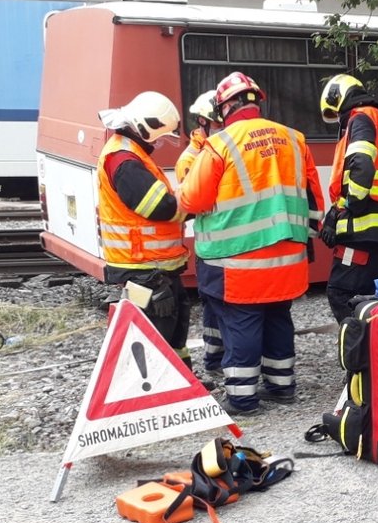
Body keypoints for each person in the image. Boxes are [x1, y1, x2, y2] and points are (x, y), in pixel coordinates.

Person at [177, 72, 325, 416]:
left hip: (237, 261)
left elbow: (193, 199)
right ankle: (281, 385)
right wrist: (310, 235)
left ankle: (243, 398)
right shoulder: (294, 138)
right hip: (288, 256)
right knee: (277, 317)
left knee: (242, 322)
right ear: (256, 100)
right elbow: (313, 194)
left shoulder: (221, 144)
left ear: (226, 106)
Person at [96, 91, 191, 366]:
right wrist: (192, 203)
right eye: (160, 137)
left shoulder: (130, 153)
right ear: (145, 128)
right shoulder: (125, 161)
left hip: (154, 268)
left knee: (174, 327)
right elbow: (159, 207)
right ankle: (158, 396)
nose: (161, 143)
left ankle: (182, 385)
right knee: (156, 331)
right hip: (145, 270)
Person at [318, 74, 378, 323]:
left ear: (337, 98)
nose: (339, 121)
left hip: (361, 233)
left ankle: (360, 353)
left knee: (341, 293)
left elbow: (361, 165)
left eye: (336, 114)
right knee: (374, 297)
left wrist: (351, 208)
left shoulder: (360, 119)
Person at [175, 90, 224, 378]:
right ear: (204, 122)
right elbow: (192, 204)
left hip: (225, 242)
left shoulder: (220, 149)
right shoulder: (191, 159)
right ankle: (215, 360)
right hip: (211, 243)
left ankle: (219, 357)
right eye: (218, 123)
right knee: (213, 306)